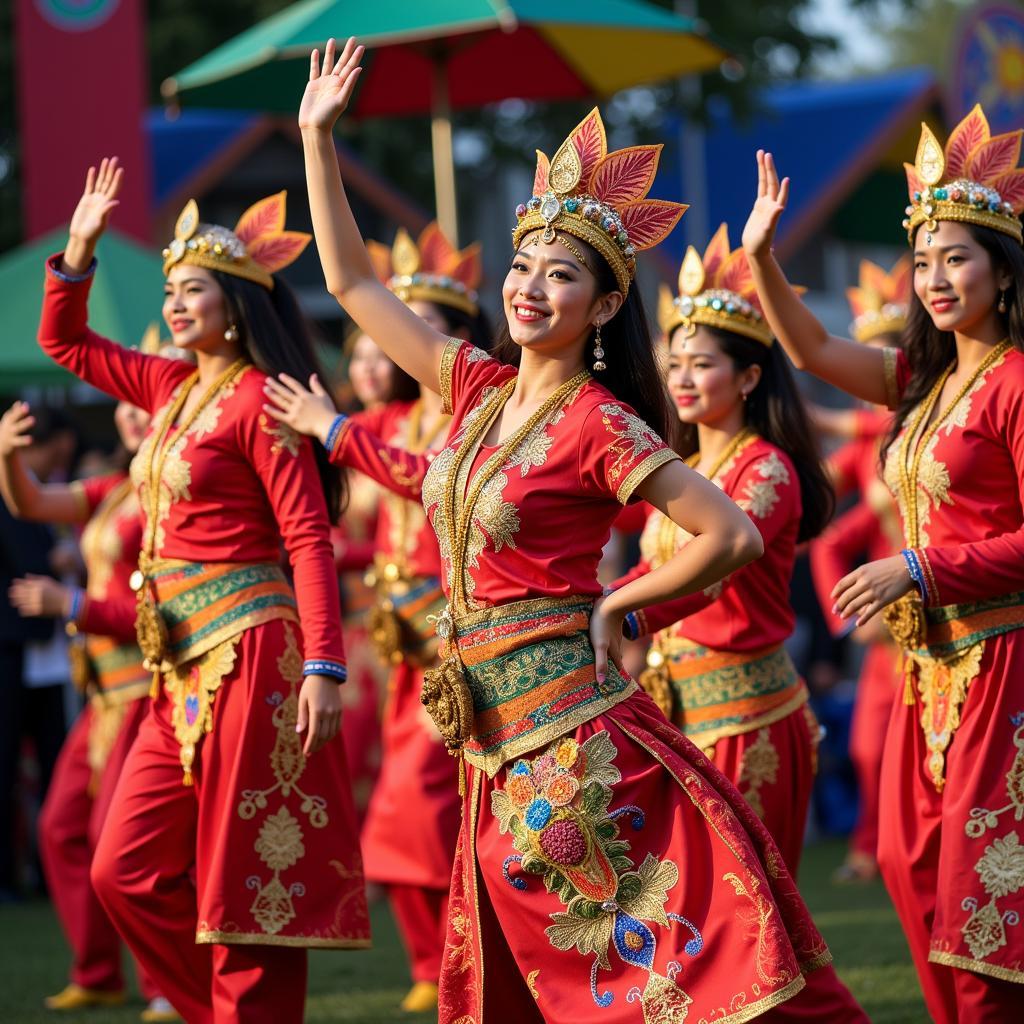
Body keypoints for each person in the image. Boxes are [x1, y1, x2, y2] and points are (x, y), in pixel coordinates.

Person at [273, 38, 868, 1023]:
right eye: (522, 267)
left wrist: (621, 605)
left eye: (559, 275)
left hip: (573, 742)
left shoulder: (600, 419)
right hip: (493, 740)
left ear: (602, 303)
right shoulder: (474, 385)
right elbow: (352, 286)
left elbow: (726, 532)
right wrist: (315, 139)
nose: (529, 287)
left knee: (653, 982)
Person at [36, 166, 369, 1024]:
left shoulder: (259, 400)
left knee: (244, 879)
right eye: (172, 290)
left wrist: (324, 664)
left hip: (254, 652)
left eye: (194, 291)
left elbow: (306, 537)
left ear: (236, 304)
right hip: (174, 662)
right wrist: (78, 250)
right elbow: (67, 344)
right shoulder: (172, 388)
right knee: (125, 869)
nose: (178, 304)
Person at [742, 106, 1024, 1021]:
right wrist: (762, 260)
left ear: (1003, 266)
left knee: (983, 900)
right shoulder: (925, 379)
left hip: (1002, 666)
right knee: (908, 872)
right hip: (925, 671)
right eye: (925, 258)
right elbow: (815, 349)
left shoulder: (1017, 380)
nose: (936, 277)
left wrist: (921, 568)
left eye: (959, 256)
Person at [268, 221, 489, 1014]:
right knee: (394, 806)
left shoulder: (475, 416)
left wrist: (335, 431)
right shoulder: (390, 420)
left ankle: (459, 955)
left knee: (415, 800)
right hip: (397, 646)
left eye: (417, 332)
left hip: (456, 641)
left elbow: (420, 482)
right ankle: (436, 961)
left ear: (455, 340)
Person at [609, 224, 833, 875]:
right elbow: (653, 563)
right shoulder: (680, 470)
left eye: (701, 364)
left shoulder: (767, 472)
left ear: (748, 377)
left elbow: (711, 575)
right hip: (675, 709)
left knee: (753, 905)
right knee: (695, 907)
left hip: (748, 718)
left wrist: (621, 611)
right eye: (673, 364)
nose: (682, 378)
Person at [0, 381, 177, 1021]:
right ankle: (98, 972)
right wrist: (5, 455)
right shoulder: (119, 490)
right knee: (60, 829)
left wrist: (71, 604)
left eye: (145, 407)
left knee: (122, 842)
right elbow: (31, 501)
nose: (131, 417)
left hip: (149, 692)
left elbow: (173, 610)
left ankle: (166, 982)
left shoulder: (173, 496)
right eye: (125, 407)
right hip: (105, 693)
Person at [809, 257, 909, 886]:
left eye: (888, 355)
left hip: (957, 599)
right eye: (864, 356)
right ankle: (874, 848)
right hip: (889, 619)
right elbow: (813, 523)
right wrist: (850, 619)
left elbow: (863, 418)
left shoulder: (897, 420)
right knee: (873, 747)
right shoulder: (865, 444)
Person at [0, 406, 77, 902]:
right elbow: (28, 563)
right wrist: (63, 559)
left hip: (46, 651)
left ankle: (51, 874)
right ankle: (9, 876)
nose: (59, 463)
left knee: (56, 765)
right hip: (11, 647)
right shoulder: (15, 489)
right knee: (6, 767)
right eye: (56, 452)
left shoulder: (44, 492)